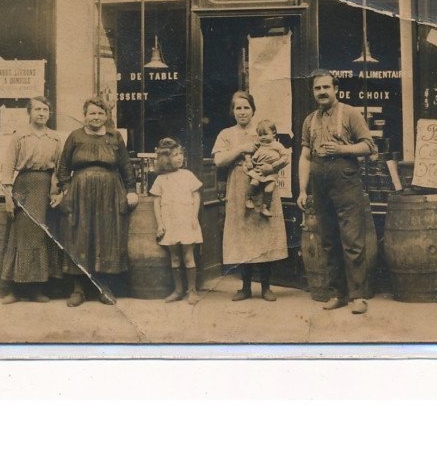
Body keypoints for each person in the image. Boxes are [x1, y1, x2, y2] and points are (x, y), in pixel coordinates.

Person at [296, 70, 376, 315]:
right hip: (319, 184)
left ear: (335, 89)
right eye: (317, 88)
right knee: (328, 241)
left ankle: (358, 296)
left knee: (352, 241)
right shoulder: (309, 120)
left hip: (346, 182)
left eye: (326, 87)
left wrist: (343, 150)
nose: (321, 92)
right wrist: (302, 189)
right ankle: (337, 294)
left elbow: (369, 146)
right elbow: (305, 156)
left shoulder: (350, 113)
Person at [53, 97, 139, 307]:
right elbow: (63, 168)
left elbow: (126, 166)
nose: (96, 117)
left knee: (106, 236)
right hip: (79, 192)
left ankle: (104, 288)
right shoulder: (75, 137)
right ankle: (78, 289)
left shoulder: (115, 136)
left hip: (109, 193)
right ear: (84, 116)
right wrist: (66, 189)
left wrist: (131, 190)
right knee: (78, 236)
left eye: (100, 113)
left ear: (106, 115)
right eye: (92, 113)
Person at [212, 91, 288, 302]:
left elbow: (281, 155)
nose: (242, 112)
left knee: (265, 232)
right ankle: (245, 287)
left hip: (264, 186)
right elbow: (219, 161)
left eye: (246, 107)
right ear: (232, 111)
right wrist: (240, 149)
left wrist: (270, 166)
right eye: (238, 108)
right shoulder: (226, 134)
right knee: (242, 235)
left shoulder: (263, 130)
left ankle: (265, 286)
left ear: (253, 110)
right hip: (238, 186)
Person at [0, 96, 63, 304]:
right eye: (37, 109)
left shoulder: (54, 139)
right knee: (21, 236)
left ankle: (37, 289)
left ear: (49, 113)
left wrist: (55, 190)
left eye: (45, 109)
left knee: (41, 236)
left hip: (45, 188)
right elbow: (7, 167)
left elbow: (59, 169)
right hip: (24, 186)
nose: (42, 113)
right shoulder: (19, 137)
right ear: (29, 113)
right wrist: (8, 197)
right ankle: (15, 290)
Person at [150, 138, 203, 303]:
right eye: (175, 155)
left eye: (181, 154)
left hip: (187, 220)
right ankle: (178, 290)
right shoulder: (160, 179)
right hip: (170, 221)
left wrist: (194, 216)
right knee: (174, 257)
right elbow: (156, 202)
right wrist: (160, 223)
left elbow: (196, 195)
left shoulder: (187, 175)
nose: (179, 157)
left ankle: (192, 291)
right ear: (166, 158)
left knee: (188, 255)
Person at [244, 118, 289, 217]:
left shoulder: (277, 145)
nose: (262, 137)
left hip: (271, 172)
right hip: (258, 169)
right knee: (254, 183)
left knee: (269, 189)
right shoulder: (257, 145)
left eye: (265, 134)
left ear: (273, 133)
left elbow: (285, 156)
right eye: (260, 135)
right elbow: (247, 152)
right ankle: (248, 199)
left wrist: (275, 165)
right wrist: (248, 161)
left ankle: (265, 207)